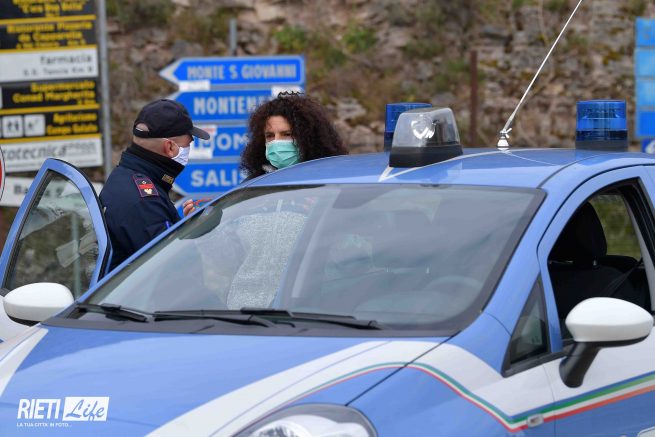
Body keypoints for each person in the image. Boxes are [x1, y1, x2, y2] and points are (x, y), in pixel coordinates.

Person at [182, 92, 348, 216]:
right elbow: (233, 249)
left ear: (309, 137)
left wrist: (321, 213)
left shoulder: (334, 186)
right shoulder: (252, 187)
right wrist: (205, 230)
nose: (277, 142)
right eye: (270, 136)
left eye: (287, 134)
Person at [100, 99, 209, 270]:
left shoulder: (125, 176)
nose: (188, 150)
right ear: (170, 147)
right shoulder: (146, 202)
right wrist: (201, 235)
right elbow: (176, 270)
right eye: (188, 144)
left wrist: (186, 229)